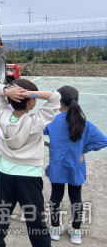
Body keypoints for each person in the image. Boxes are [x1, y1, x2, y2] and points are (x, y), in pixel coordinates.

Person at [0, 80, 61, 247]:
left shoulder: (2, 115)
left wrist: (8, 92)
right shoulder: (36, 121)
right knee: (35, 221)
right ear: (31, 101)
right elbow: (56, 97)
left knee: (2, 215)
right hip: (28, 177)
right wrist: (29, 93)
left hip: (6, 174)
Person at [44, 86, 107, 244]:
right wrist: (83, 150)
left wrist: (47, 144)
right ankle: (76, 232)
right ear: (77, 102)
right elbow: (103, 141)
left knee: (55, 198)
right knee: (76, 199)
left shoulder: (51, 121)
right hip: (76, 167)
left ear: (58, 103)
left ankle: (55, 229)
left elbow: (35, 133)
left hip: (57, 166)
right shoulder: (85, 123)